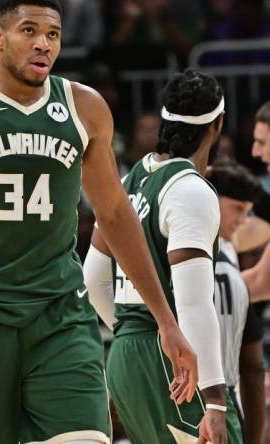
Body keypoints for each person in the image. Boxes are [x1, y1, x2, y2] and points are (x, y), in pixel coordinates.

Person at [0, 1, 198, 443]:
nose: (43, 44)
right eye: (28, 31)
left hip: (60, 312)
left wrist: (165, 318)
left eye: (52, 34)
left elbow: (115, 213)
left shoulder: (84, 107)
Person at [83, 69, 237, 443]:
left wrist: (128, 328)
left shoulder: (129, 182)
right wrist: (214, 401)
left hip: (123, 357)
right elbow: (194, 304)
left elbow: (92, 279)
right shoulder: (190, 191)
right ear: (217, 125)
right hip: (172, 362)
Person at [208, 161, 265, 444]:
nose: (244, 219)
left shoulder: (227, 247)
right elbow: (253, 370)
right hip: (219, 396)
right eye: (238, 209)